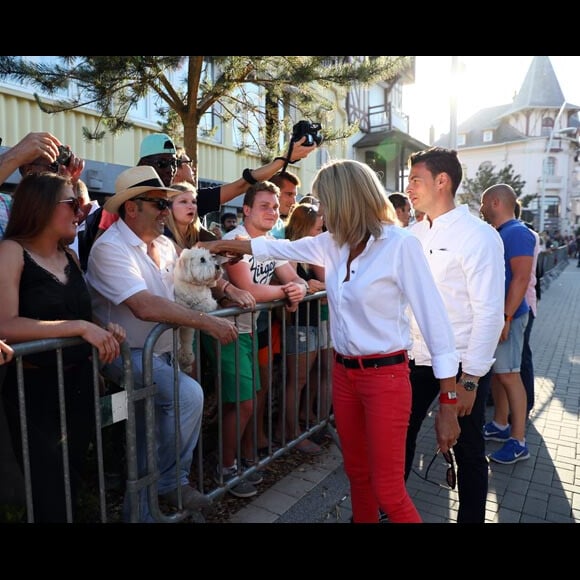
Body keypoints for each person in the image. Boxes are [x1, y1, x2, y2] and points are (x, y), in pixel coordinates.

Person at [200, 159, 460, 523]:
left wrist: (449, 400)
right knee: (357, 476)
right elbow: (274, 249)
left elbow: (436, 325)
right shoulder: (333, 244)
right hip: (345, 375)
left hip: (386, 378)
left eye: (325, 201)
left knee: (388, 489)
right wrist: (216, 245)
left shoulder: (400, 245)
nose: (321, 211)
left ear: (346, 199)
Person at [85, 166, 238, 522]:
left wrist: (229, 288)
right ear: (132, 208)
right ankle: (170, 483)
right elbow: (145, 306)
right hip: (126, 357)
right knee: (187, 397)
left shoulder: (167, 245)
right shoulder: (110, 249)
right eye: (158, 202)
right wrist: (208, 323)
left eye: (166, 202)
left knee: (145, 435)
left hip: (162, 355)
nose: (165, 210)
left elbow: (183, 291)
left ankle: (144, 508)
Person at [0, 172, 125, 522]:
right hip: (34, 393)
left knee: (70, 478)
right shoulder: (11, 252)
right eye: (72, 202)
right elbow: (5, 324)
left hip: (79, 384)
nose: (81, 210)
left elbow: (77, 316)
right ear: (41, 207)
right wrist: (81, 327)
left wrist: (103, 330)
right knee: (47, 490)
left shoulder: (69, 256)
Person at [403, 146, 505, 523]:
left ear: (442, 181)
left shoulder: (478, 236)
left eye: (416, 179)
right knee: (400, 437)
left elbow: (489, 313)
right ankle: (387, 510)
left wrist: (472, 379)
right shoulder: (412, 233)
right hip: (416, 358)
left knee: (468, 450)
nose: (409, 187)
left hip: (463, 363)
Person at [201, 180, 308, 498]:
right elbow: (248, 290)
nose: (273, 212)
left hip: (250, 330)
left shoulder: (269, 242)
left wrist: (296, 288)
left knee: (248, 401)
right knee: (243, 403)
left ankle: (234, 461)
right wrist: (288, 291)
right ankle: (224, 468)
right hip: (228, 331)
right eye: (264, 206)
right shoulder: (236, 240)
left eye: (275, 207)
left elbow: (296, 279)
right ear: (245, 209)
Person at [97, 133, 318, 232]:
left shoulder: (194, 201)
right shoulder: (126, 198)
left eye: (174, 162)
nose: (170, 169)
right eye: (162, 162)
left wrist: (283, 159)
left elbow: (243, 183)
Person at [480, 183, 535, 464]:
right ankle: (501, 425)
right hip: (503, 316)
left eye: (483, 203)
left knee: (510, 375)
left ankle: (519, 440)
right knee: (501, 375)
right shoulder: (505, 232)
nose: (480, 208)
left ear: (495, 203)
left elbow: (521, 278)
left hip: (509, 316)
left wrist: (505, 317)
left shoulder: (516, 233)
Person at [280, 202, 327, 455]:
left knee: (300, 380)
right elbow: (297, 285)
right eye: (317, 229)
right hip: (297, 325)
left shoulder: (309, 253)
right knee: (295, 381)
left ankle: (291, 429)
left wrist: (315, 285)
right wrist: (311, 286)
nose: (320, 234)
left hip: (309, 322)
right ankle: (292, 434)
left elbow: (324, 286)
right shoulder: (290, 252)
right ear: (303, 228)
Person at [515, 201, 540, 418]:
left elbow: (522, 277)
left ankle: (526, 404)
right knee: (520, 357)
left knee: (522, 357)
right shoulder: (527, 233)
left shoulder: (524, 234)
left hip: (523, 304)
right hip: (526, 302)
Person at [269, 170, 301, 239]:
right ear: (274, 193)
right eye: (289, 194)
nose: (293, 202)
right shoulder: (255, 222)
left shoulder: (280, 224)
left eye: (295, 196)